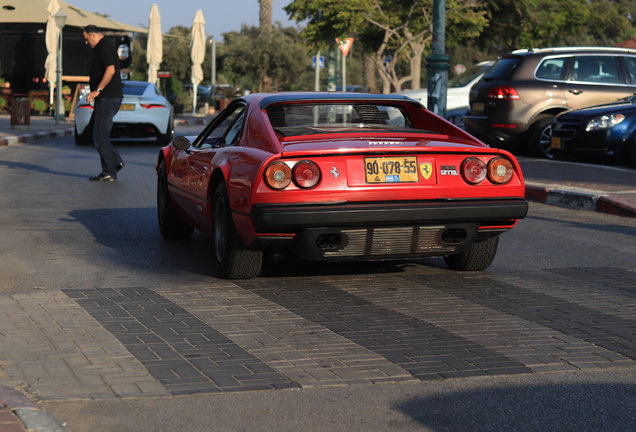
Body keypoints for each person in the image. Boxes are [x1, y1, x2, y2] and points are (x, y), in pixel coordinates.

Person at [83, 25, 125, 181]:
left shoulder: (105, 46)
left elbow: (111, 70)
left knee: (100, 136)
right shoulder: (103, 47)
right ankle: (115, 162)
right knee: (92, 131)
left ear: (93, 35)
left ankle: (109, 171)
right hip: (105, 98)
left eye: (86, 39)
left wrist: (97, 90)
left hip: (107, 97)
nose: (86, 43)